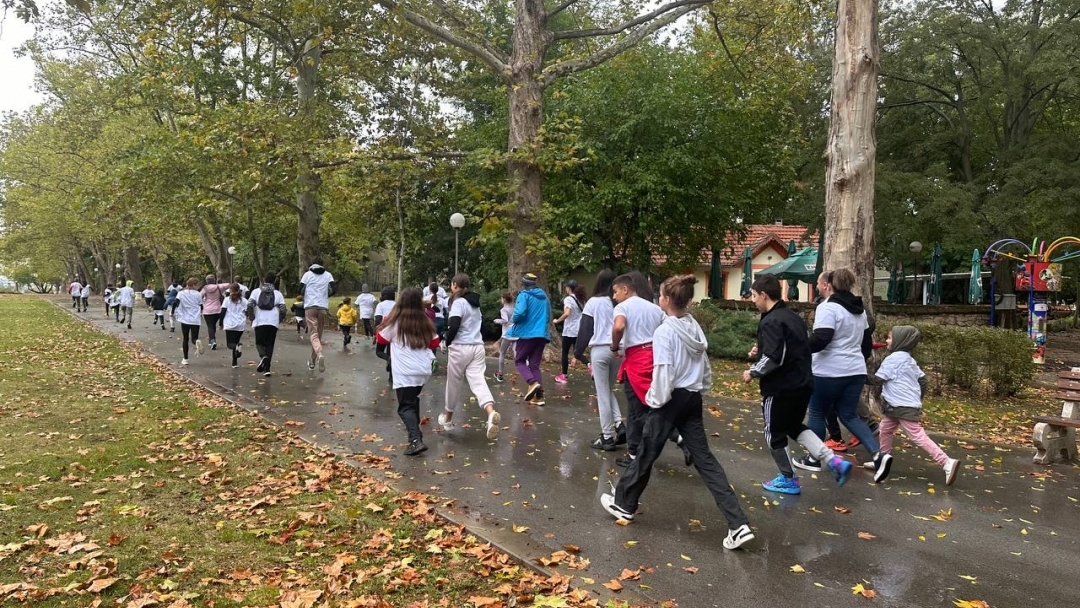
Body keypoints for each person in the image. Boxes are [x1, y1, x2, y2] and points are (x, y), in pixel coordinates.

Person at [600, 275, 755, 551]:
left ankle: (624, 504)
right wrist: (701, 389)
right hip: (692, 397)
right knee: (705, 460)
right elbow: (704, 365)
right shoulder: (694, 327)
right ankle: (738, 524)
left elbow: (664, 371)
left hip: (670, 399)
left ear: (667, 300)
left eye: (660, 295)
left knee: (646, 450)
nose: (658, 299)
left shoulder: (664, 332)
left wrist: (654, 399)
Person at [743, 275, 853, 495]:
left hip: (781, 387)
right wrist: (760, 349)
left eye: (754, 296)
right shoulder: (792, 317)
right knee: (794, 427)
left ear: (764, 295)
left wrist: (753, 371)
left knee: (773, 433)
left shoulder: (771, 320)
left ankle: (788, 478)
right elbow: (792, 346)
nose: (753, 300)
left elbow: (775, 357)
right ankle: (834, 462)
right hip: (803, 383)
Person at [794, 268, 893, 483]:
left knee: (818, 412)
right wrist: (855, 360)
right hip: (855, 371)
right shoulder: (860, 310)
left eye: (820, 283)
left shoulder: (827, 307)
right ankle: (878, 455)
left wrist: (797, 348)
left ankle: (814, 458)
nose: (819, 287)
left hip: (828, 371)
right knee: (849, 415)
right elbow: (866, 344)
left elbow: (821, 338)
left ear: (829, 285)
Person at [865, 326, 960, 485]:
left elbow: (877, 380)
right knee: (885, 429)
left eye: (889, 338)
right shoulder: (909, 359)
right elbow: (923, 380)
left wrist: (856, 376)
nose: (887, 341)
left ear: (900, 341)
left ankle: (946, 462)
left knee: (917, 435)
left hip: (901, 405)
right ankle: (881, 460)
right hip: (901, 405)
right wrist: (916, 398)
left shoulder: (893, 359)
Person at [610, 271, 672, 468]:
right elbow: (668, 328)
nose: (614, 296)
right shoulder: (654, 308)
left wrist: (614, 345)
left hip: (636, 358)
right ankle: (673, 435)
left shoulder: (622, 307)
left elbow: (619, 327)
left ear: (625, 290)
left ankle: (635, 452)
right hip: (654, 356)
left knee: (636, 408)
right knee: (653, 401)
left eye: (615, 292)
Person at [376, 288, 441, 455]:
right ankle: (415, 436)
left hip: (405, 371)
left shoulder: (396, 323)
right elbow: (434, 343)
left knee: (404, 407)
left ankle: (415, 440)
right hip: (422, 370)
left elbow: (381, 338)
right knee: (412, 401)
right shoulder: (425, 321)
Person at [438, 274, 501, 440]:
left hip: (460, 348)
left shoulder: (458, 303)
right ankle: (491, 412)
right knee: (478, 381)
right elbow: (481, 328)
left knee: (453, 384)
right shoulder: (475, 305)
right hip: (477, 347)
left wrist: (446, 341)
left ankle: (448, 419)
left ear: (454, 285)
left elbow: (454, 326)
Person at [575, 269, 626, 451]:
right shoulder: (619, 304)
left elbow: (586, 329)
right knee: (607, 389)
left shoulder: (593, 303)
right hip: (619, 350)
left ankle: (606, 436)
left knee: (602, 393)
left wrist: (578, 352)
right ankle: (619, 424)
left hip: (600, 350)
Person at [505, 273, 551, 405]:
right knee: (534, 365)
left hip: (527, 334)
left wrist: (513, 319)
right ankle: (539, 397)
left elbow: (519, 313)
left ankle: (532, 382)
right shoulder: (544, 298)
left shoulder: (524, 295)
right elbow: (548, 316)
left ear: (524, 284)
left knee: (519, 360)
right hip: (541, 334)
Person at [246, 273, 286, 376]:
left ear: (264, 279)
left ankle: (263, 356)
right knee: (270, 344)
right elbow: (283, 309)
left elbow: (250, 305)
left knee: (259, 343)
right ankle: (267, 369)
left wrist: (251, 316)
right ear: (274, 281)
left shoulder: (256, 292)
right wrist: (279, 319)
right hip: (273, 321)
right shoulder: (278, 294)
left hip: (260, 321)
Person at [299, 259, 335, 372]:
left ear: (311, 264)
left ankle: (319, 354)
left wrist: (306, 294)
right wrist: (325, 295)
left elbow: (299, 289)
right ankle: (312, 362)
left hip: (310, 307)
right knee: (318, 336)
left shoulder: (307, 275)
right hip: (322, 307)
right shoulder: (328, 275)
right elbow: (334, 289)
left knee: (313, 335)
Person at [553, 279, 589, 383]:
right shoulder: (582, 299)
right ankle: (589, 365)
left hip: (569, 330)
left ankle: (564, 375)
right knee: (577, 352)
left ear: (568, 288)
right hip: (579, 329)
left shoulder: (568, 299)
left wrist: (557, 320)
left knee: (564, 352)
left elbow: (567, 313)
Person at [172, 277, 204, 365]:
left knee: (185, 338)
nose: (198, 287)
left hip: (184, 318)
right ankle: (196, 342)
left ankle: (185, 359)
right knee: (194, 337)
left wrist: (172, 312)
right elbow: (201, 306)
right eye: (198, 285)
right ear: (193, 285)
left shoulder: (181, 293)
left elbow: (175, 302)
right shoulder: (198, 294)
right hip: (195, 319)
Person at [222, 282, 249, 369]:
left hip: (230, 323)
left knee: (230, 344)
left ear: (230, 290)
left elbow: (223, 311)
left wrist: (220, 322)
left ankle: (237, 348)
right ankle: (234, 362)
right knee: (236, 341)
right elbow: (247, 312)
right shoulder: (244, 301)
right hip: (240, 324)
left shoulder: (227, 300)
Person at [199, 275, 230, 349]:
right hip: (217, 309)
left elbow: (199, 296)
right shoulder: (218, 287)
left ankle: (212, 341)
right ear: (214, 280)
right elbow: (229, 285)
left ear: (207, 281)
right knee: (213, 326)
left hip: (207, 310)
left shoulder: (205, 289)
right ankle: (211, 341)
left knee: (210, 326)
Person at [492, 292, 517, 383]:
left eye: (502, 298)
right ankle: (524, 366)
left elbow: (505, 321)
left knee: (502, 353)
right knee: (516, 352)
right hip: (515, 333)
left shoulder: (504, 310)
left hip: (507, 334)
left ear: (504, 299)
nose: (501, 300)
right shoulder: (514, 308)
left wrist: (497, 321)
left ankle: (500, 374)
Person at [374, 287, 397, 382]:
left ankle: (388, 359)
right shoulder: (397, 304)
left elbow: (378, 319)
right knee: (392, 352)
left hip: (384, 332)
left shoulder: (380, 305)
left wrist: (377, 332)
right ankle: (392, 377)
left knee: (379, 352)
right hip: (396, 331)